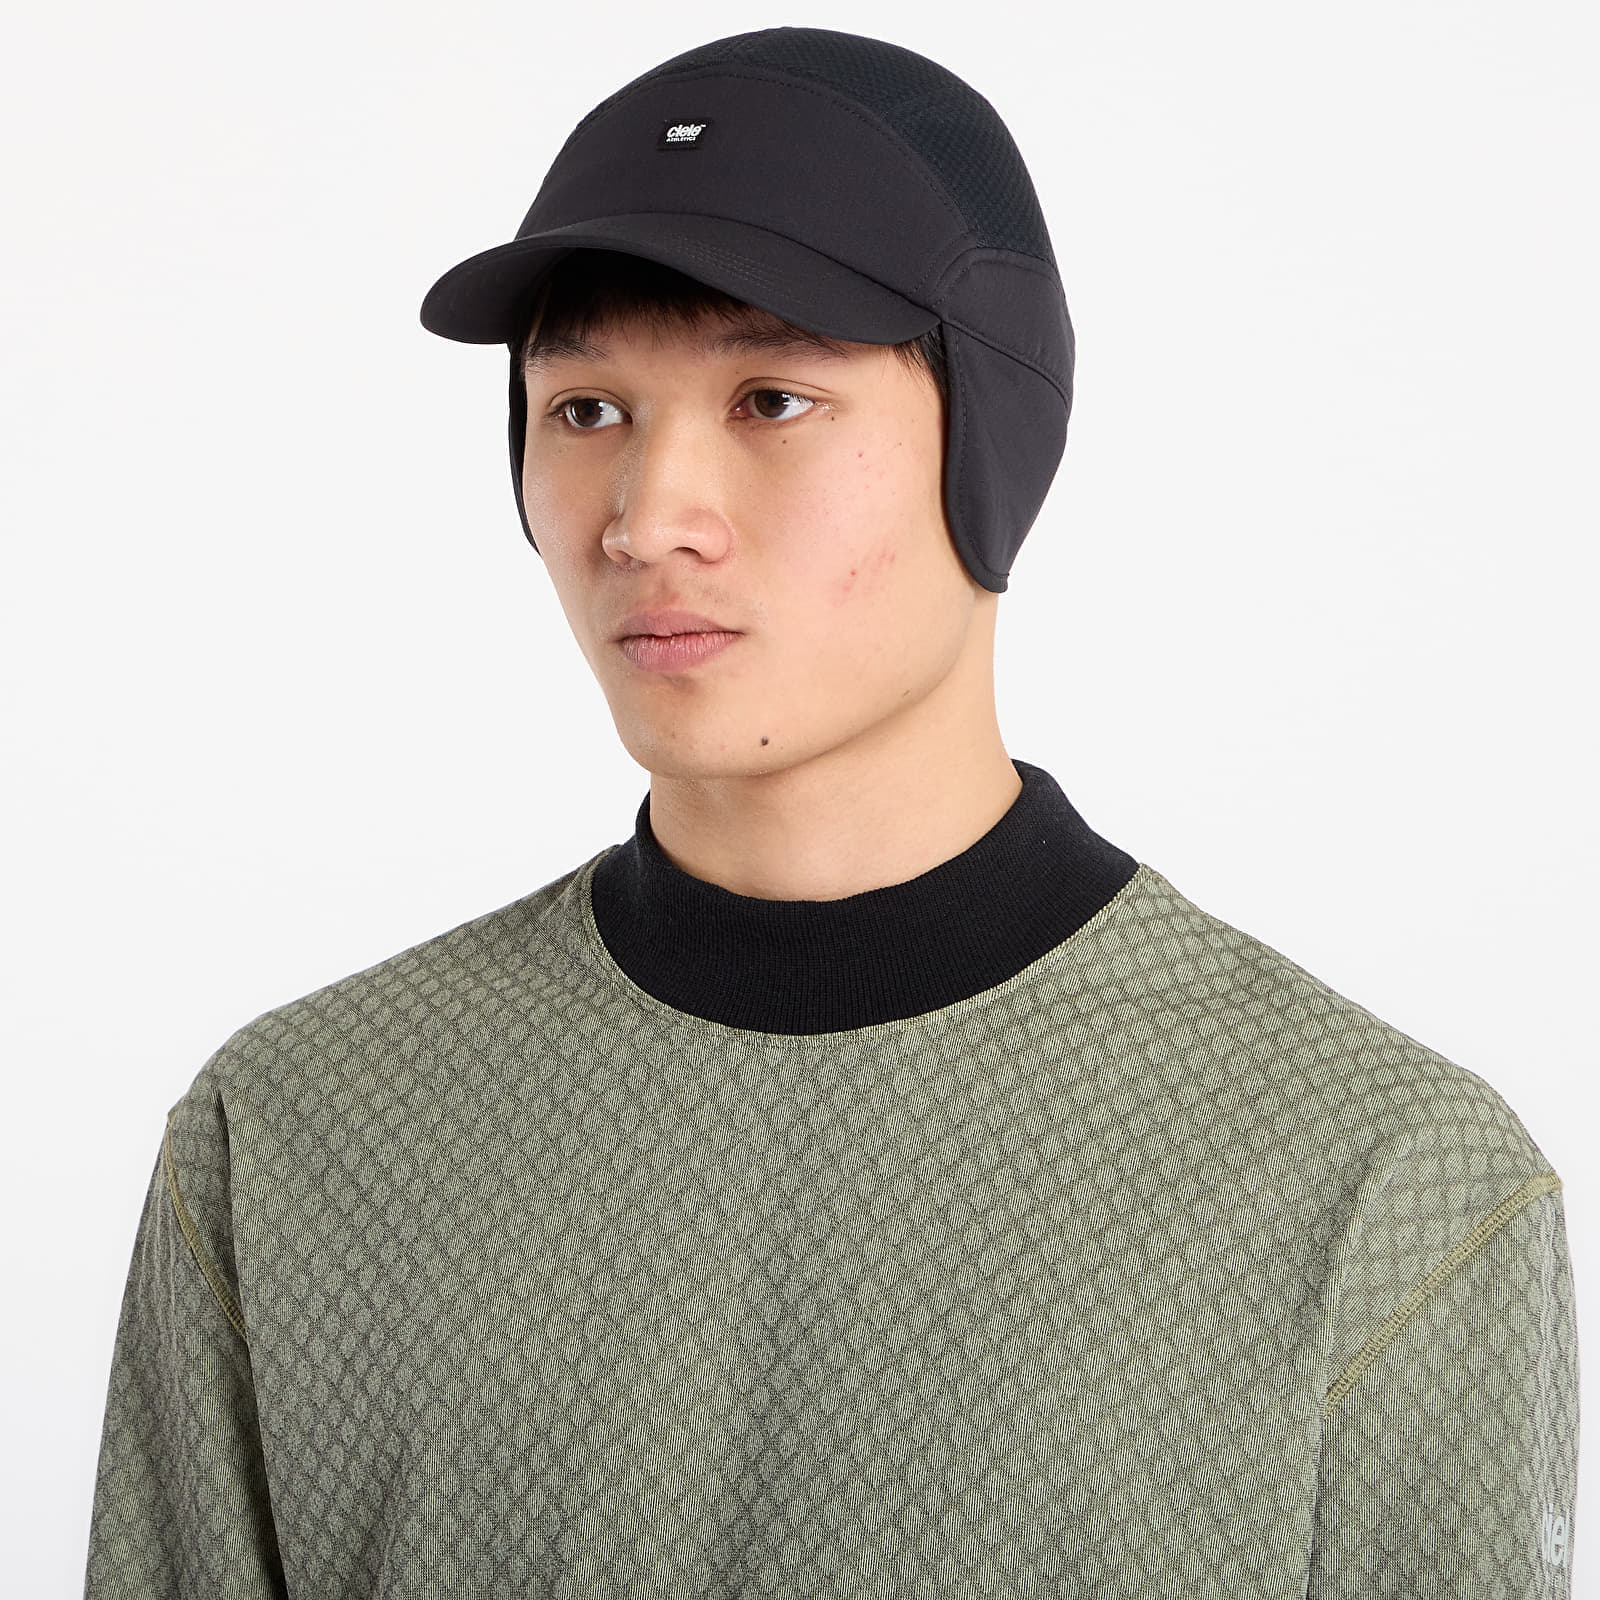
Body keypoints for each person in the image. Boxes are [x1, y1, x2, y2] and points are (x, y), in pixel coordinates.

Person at [82, 26, 1578, 1599]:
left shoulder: (1381, 1189)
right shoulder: (293, 1139)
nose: (648, 519)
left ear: (992, 443)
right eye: (585, 410)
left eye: (773, 399)